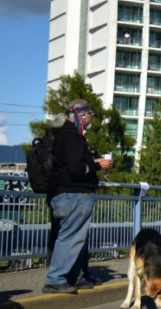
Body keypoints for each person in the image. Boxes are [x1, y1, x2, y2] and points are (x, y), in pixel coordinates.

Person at [42, 99, 114, 294]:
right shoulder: (72, 136)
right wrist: (98, 165)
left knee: (72, 237)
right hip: (74, 194)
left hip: (60, 193)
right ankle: (56, 279)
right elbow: (76, 169)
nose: (91, 118)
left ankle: (75, 276)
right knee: (71, 238)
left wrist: (92, 161)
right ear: (81, 115)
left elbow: (69, 164)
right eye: (90, 114)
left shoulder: (58, 134)